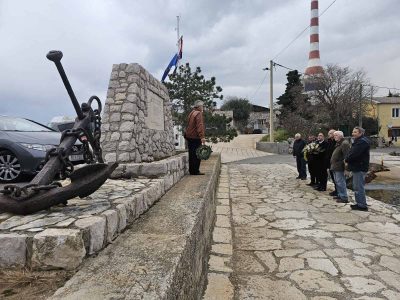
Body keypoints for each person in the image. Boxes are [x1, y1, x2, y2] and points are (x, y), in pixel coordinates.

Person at [345, 126, 370, 211]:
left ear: (360, 133)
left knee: (359, 187)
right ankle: (359, 203)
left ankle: (362, 205)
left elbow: (355, 154)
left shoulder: (362, 142)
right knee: (356, 187)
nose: (353, 133)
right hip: (357, 167)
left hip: (360, 167)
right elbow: (351, 152)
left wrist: (347, 159)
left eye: (355, 132)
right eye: (353, 132)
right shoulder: (359, 141)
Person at [185, 100, 206, 175]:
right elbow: (199, 125)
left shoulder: (191, 113)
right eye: (202, 106)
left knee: (191, 154)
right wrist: (202, 137)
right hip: (195, 137)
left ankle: (192, 170)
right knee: (197, 154)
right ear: (199, 107)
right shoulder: (198, 113)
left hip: (189, 136)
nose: (202, 107)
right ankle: (196, 171)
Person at [330, 131, 350, 203]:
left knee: (341, 182)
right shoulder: (339, 143)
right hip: (335, 167)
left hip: (340, 167)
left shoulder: (344, 143)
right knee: (337, 182)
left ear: (341, 136)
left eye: (336, 135)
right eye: (334, 135)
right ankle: (339, 194)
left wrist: (346, 169)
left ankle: (344, 197)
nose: (334, 136)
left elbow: (347, 157)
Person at [325, 129, 337, 196]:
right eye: (328, 133)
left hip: (335, 162)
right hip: (329, 162)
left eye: (330, 133)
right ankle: (336, 190)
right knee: (333, 177)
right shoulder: (329, 141)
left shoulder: (336, 142)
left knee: (336, 178)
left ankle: (338, 191)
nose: (328, 134)